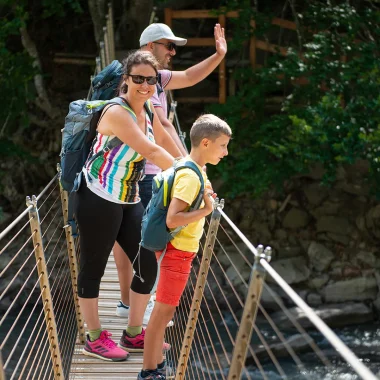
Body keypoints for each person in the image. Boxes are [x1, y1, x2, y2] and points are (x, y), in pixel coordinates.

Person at [114, 22, 228, 326]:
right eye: (169, 46)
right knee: (151, 240)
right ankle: (141, 305)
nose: (173, 52)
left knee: (132, 239)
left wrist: (219, 55)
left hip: (130, 171)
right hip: (148, 171)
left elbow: (190, 76)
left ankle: (129, 303)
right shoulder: (144, 82)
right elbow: (162, 126)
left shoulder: (154, 77)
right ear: (150, 46)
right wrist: (189, 166)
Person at [75, 50, 183, 362]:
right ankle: (93, 338)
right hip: (96, 196)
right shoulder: (117, 113)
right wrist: (191, 178)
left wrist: (192, 166)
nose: (145, 85)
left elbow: (163, 139)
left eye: (151, 80)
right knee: (93, 267)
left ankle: (134, 333)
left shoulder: (148, 107)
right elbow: (150, 150)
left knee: (148, 262)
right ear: (126, 80)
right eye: (138, 79)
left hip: (129, 196)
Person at [137, 114, 232, 379]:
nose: (226, 152)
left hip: (176, 251)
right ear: (205, 143)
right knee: (162, 313)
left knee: (165, 311)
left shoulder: (192, 167)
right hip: (177, 252)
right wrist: (206, 210)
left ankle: (156, 365)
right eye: (222, 145)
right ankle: (148, 371)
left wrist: (204, 191)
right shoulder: (191, 175)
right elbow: (173, 218)